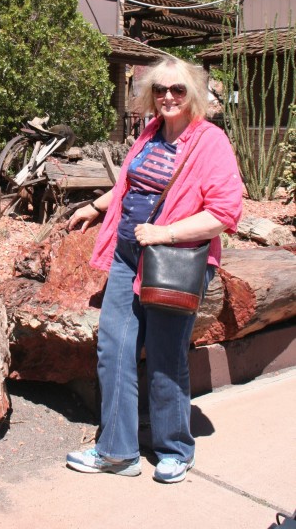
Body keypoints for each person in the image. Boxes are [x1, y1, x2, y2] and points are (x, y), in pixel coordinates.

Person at [66, 57, 242, 484]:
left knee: (165, 357)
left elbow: (224, 213)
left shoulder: (210, 142)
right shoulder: (148, 134)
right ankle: (118, 452)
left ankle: (175, 449)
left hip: (173, 262)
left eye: (178, 90)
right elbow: (130, 183)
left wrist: (164, 234)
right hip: (128, 256)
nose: (168, 97)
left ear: (193, 94)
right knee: (115, 349)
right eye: (160, 90)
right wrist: (94, 206)